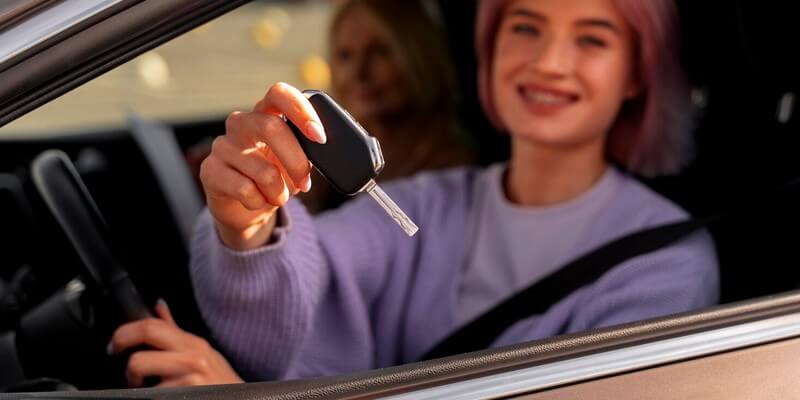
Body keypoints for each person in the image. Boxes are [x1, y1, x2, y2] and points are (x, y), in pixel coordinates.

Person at [109, 0, 719, 386]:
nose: (550, 62)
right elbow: (309, 273)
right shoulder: (432, 202)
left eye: (592, 38)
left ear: (638, 71)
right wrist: (247, 225)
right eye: (526, 26)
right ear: (490, 47)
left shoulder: (664, 266)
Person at [299, 0, 473, 213]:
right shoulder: (325, 150)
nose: (358, 73)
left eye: (380, 52)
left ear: (418, 56)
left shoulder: (452, 170)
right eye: (345, 55)